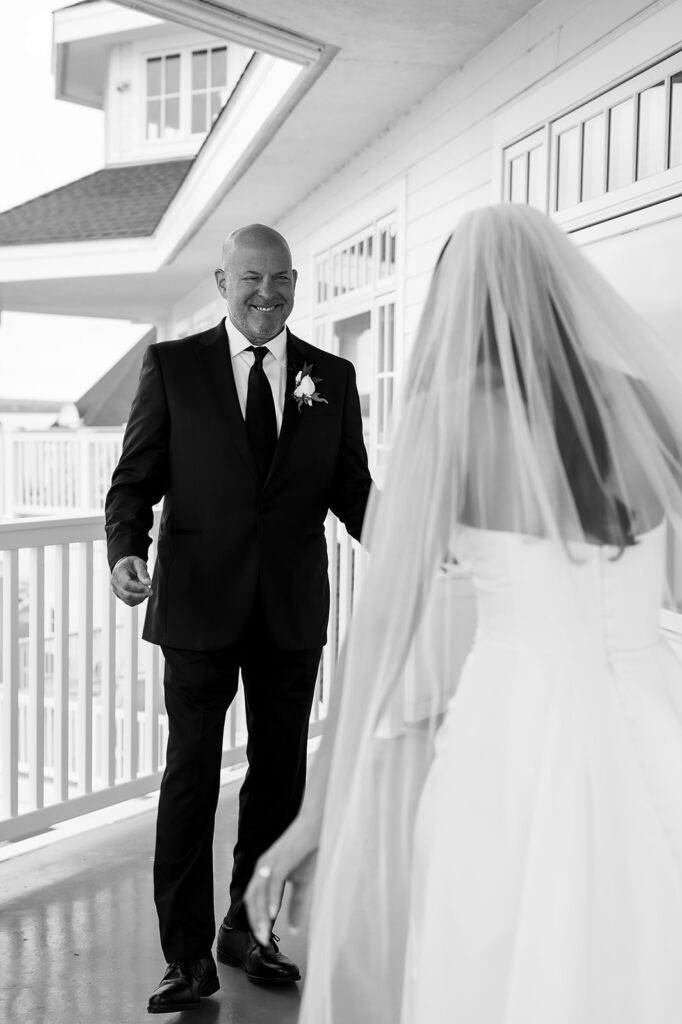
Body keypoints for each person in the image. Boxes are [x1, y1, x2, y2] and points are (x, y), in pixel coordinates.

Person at [245, 203, 682, 1023]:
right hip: (656, 718)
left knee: (500, 957)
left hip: (513, 739)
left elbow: (379, 635)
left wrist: (315, 818)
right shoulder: (643, 404)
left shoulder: (450, 416)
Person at [104, 224, 372, 1014]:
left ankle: (248, 928)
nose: (267, 294)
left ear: (296, 282)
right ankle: (186, 957)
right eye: (250, 278)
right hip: (196, 608)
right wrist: (126, 548)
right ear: (223, 281)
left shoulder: (333, 376)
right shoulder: (173, 366)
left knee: (279, 778)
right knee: (190, 779)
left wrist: (412, 541)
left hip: (290, 610)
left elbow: (351, 491)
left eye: (280, 279)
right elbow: (133, 481)